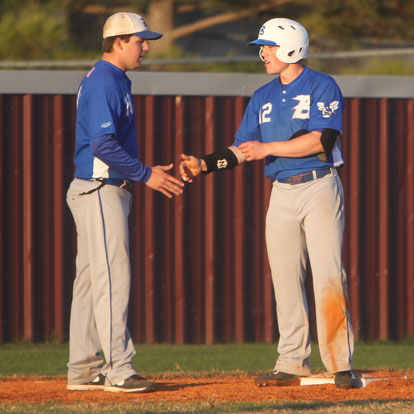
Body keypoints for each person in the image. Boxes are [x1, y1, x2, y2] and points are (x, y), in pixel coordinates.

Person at [180, 18, 360, 389]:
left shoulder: (322, 85)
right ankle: (293, 360)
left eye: (269, 46)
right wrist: (205, 164)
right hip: (281, 190)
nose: (262, 52)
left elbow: (321, 141)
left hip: (318, 186)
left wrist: (268, 149)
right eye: (261, 46)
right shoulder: (262, 95)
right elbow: (244, 149)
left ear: (292, 48)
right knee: (284, 279)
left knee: (328, 276)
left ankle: (340, 363)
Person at [66, 12, 184, 393]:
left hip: (97, 188)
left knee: (90, 282)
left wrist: (142, 171)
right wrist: (147, 174)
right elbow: (102, 145)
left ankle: (83, 371)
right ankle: (118, 370)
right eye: (139, 40)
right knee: (113, 279)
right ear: (118, 42)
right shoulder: (104, 80)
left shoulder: (112, 78)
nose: (145, 47)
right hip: (100, 189)